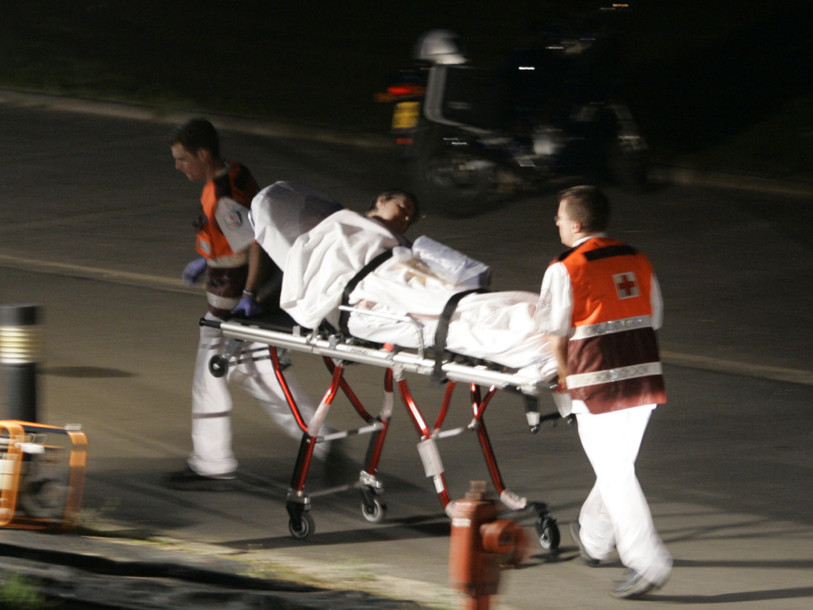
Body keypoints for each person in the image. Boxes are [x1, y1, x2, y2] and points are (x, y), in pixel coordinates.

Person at [166, 118, 322, 490]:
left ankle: (212, 463)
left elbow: (254, 243)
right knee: (259, 373)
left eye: (183, 158)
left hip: (230, 304)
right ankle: (322, 441)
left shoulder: (222, 195)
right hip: (238, 299)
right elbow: (242, 233)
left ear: (204, 154)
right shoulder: (236, 173)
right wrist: (209, 257)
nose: (178, 166)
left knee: (213, 376)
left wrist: (248, 296)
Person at [538, 185, 672, 598]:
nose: (556, 222)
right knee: (618, 464)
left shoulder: (565, 267)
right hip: (644, 378)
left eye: (559, 216)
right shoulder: (637, 258)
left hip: (597, 383)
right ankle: (594, 538)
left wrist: (563, 378)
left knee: (615, 473)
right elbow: (655, 317)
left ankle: (648, 561)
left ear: (575, 223)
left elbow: (556, 336)